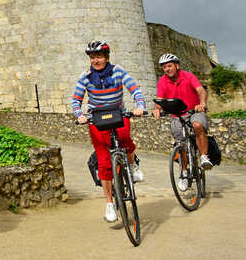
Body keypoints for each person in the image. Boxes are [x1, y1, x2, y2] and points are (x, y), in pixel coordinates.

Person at [72, 40, 146, 223]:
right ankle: (110, 204)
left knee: (125, 139)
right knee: (104, 162)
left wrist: (140, 105)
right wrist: (80, 114)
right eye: (92, 57)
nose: (95, 60)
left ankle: (133, 166)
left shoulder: (118, 71)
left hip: (118, 114)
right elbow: (76, 100)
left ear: (107, 57)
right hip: (96, 118)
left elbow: (134, 89)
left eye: (98, 56)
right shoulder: (86, 77)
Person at [152, 53, 212, 191]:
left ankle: (203, 157)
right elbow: (160, 99)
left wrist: (202, 103)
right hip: (177, 115)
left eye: (169, 66)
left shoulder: (188, 76)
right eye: (164, 67)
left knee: (198, 125)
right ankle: (184, 172)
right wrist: (157, 109)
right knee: (181, 143)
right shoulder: (162, 81)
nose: (167, 69)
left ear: (176, 66)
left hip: (194, 111)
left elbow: (201, 90)